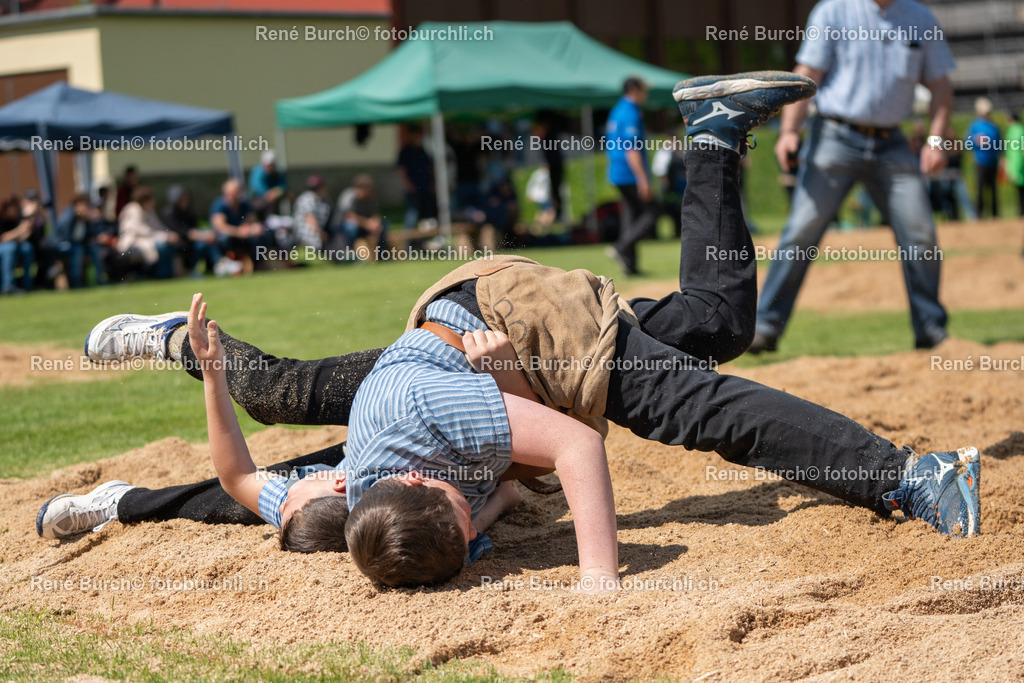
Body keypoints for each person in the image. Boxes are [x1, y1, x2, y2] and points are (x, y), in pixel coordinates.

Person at [67, 73, 980, 593]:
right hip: (466, 358)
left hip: (500, 329)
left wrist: (599, 577)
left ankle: (906, 475)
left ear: (419, 478)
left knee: (691, 405)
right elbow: (234, 485)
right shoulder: (349, 507)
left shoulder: (427, 425)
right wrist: (119, 503)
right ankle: (710, 137)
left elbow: (576, 445)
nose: (487, 514)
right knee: (717, 321)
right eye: (475, 527)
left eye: (469, 514)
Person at [37, 298, 521, 563]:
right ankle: (175, 337)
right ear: (340, 482)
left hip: (414, 420)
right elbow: (494, 501)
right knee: (275, 395)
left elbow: (236, 478)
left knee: (233, 505)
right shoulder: (427, 492)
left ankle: (119, 503)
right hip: (413, 386)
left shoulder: (324, 512)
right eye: (289, 495)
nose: (279, 491)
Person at [749, 0, 955, 354]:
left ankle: (930, 328)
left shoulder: (920, 18)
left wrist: (936, 141)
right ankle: (765, 325)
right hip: (834, 138)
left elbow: (941, 85)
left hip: (892, 143)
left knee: (920, 234)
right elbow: (807, 75)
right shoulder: (833, 11)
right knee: (801, 230)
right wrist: (789, 132)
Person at [605, 76, 657, 276]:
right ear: (634, 90)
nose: (646, 94)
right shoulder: (630, 112)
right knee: (652, 211)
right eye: (644, 90)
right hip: (628, 173)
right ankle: (621, 246)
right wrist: (642, 179)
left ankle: (630, 267)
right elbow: (631, 148)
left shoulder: (617, 109)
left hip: (617, 171)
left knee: (630, 215)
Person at [114, 186, 178, 280]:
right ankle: (160, 274)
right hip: (133, 243)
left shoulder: (149, 210)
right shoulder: (132, 210)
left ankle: (168, 273)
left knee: (169, 246)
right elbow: (140, 230)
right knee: (162, 246)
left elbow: (158, 226)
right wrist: (165, 236)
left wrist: (170, 234)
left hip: (148, 239)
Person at [161, 185, 222, 277]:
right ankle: (190, 270)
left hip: (191, 241)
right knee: (202, 242)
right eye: (182, 198)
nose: (185, 201)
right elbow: (183, 232)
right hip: (179, 244)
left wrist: (205, 234)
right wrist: (204, 236)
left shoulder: (188, 211)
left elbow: (194, 227)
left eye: (186, 198)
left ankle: (218, 265)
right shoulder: (169, 213)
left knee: (209, 240)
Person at [52, 193, 107, 288]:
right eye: (84, 206)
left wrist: (91, 221)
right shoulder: (68, 217)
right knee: (78, 250)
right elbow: (65, 237)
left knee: (94, 248)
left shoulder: (84, 219)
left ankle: (101, 279)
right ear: (77, 205)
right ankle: (76, 282)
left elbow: (89, 235)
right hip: (61, 246)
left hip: (78, 245)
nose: (86, 208)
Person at [210, 178, 264, 274]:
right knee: (224, 237)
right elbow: (220, 226)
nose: (238, 194)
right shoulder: (219, 205)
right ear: (227, 193)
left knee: (260, 237)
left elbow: (253, 221)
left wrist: (255, 228)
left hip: (243, 236)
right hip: (227, 238)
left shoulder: (244, 204)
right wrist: (239, 232)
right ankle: (224, 264)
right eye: (235, 192)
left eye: (239, 191)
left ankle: (258, 265)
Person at [334, 174, 386, 259]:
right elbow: (348, 216)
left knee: (383, 224)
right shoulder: (348, 196)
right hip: (343, 229)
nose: (370, 191)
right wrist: (367, 224)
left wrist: (376, 222)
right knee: (351, 226)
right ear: (360, 188)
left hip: (364, 226)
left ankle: (381, 255)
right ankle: (351, 254)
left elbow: (375, 212)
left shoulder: (370, 197)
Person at [966, 97, 1001, 220]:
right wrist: (976, 141)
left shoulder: (994, 126)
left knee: (993, 189)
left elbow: (999, 144)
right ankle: (979, 215)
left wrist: (1001, 158)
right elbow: (968, 142)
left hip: (993, 160)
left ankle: (995, 214)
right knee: (980, 189)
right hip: (980, 161)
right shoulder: (974, 126)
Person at [396, 124, 436, 229]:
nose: (419, 137)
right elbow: (401, 170)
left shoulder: (422, 150)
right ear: (411, 135)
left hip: (426, 188)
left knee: (426, 217)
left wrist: (432, 183)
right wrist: (409, 185)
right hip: (413, 189)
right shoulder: (405, 151)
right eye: (417, 135)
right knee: (412, 215)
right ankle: (409, 241)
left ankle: (424, 240)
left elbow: (429, 167)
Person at [0, 194, 35, 294]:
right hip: (4, 247)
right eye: (12, 209)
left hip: (15, 245)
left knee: (27, 248)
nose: (15, 212)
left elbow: (20, 239)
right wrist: (20, 229)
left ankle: (28, 285)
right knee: (10, 248)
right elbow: (3, 238)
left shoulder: (17, 217)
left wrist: (29, 226)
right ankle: (8, 286)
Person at [292, 175, 332, 251]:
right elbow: (310, 218)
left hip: (318, 232)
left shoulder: (323, 199)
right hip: (307, 236)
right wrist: (321, 233)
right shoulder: (308, 198)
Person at [247, 150, 287, 214]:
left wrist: (277, 192)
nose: (270, 167)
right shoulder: (257, 171)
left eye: (272, 165)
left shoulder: (278, 172)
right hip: (257, 199)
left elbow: (283, 186)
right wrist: (268, 194)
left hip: (273, 198)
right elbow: (256, 186)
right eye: (268, 165)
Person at [1004, 111, 1024, 217]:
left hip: (1017, 163)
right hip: (1017, 162)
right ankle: (1021, 211)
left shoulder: (1016, 130)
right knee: (1020, 189)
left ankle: (1021, 211)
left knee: (1020, 190)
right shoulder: (1018, 129)